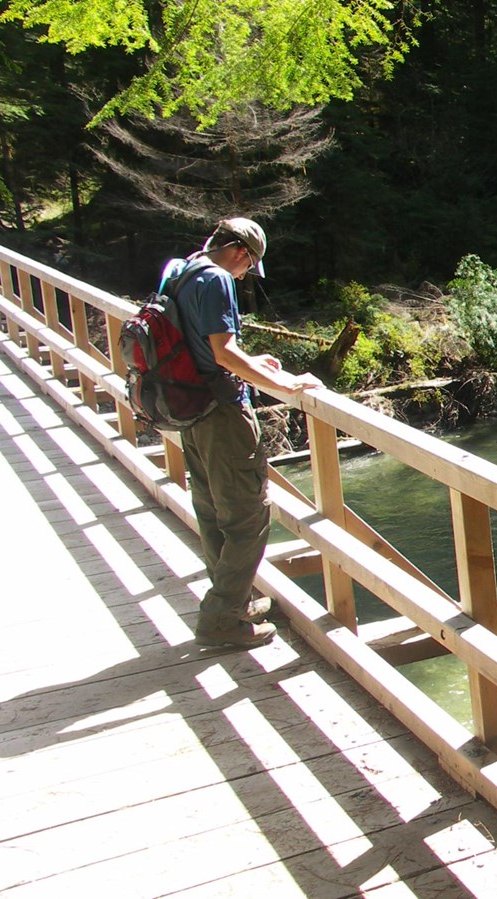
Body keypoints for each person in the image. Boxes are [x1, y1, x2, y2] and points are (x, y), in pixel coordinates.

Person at [162, 218, 322, 649]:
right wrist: (286, 384)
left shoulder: (180, 269)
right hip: (221, 413)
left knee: (213, 509)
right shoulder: (217, 279)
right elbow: (223, 352)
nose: (245, 275)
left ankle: (233, 603)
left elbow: (199, 347)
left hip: (189, 409)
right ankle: (220, 619)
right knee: (251, 516)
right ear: (240, 253)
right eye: (248, 266)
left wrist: (255, 361)